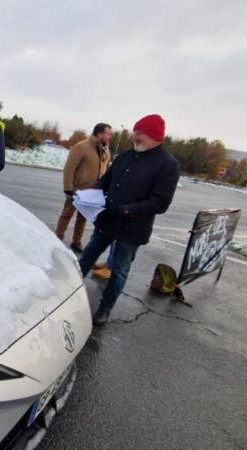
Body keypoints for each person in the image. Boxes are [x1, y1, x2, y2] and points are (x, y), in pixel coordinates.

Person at [78, 114, 180, 327]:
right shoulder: (125, 156)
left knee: (120, 271)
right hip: (107, 221)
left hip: (133, 229)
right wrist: (90, 195)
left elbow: (160, 203)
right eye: (135, 131)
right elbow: (105, 182)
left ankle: (104, 310)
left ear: (154, 136)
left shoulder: (167, 164)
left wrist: (124, 210)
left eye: (140, 133)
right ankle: (69, 293)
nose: (135, 136)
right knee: (86, 258)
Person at [56, 123, 112, 252]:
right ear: (100, 134)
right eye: (108, 134)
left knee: (83, 218)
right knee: (66, 215)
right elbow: (69, 168)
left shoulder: (105, 149)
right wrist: (68, 187)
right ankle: (58, 237)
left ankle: (77, 241)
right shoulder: (81, 147)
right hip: (76, 190)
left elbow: (106, 168)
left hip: (92, 191)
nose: (110, 137)